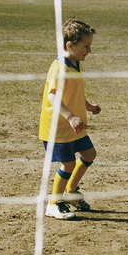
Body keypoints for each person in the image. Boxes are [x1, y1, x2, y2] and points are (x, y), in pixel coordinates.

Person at [38, 17, 101, 220]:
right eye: (86, 46)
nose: (89, 51)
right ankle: (54, 203)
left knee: (89, 154)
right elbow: (53, 96)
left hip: (74, 126)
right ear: (70, 45)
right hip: (58, 128)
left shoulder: (75, 63)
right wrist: (71, 116)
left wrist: (88, 106)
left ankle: (71, 192)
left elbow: (73, 93)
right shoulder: (59, 67)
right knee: (68, 164)